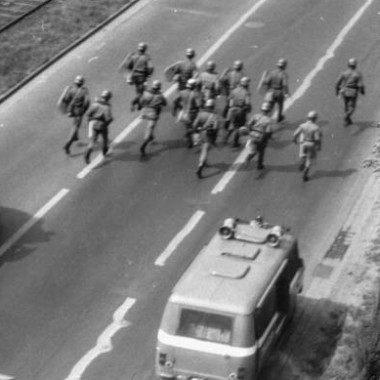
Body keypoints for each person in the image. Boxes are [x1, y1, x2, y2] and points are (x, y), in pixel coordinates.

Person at [59, 75, 90, 155]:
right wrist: (85, 109)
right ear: (82, 83)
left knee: (75, 124)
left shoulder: (71, 90)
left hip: (72, 110)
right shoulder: (84, 91)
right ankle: (67, 145)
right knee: (75, 127)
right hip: (79, 111)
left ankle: (76, 137)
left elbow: (66, 100)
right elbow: (87, 102)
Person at [119, 42, 154, 110]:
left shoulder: (133, 56)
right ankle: (134, 102)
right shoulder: (146, 58)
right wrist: (149, 74)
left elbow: (129, 66)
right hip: (142, 77)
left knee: (138, 90)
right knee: (141, 92)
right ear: (145, 49)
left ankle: (139, 104)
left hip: (134, 76)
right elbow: (151, 68)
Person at [139, 80, 167, 157]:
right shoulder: (160, 95)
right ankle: (143, 146)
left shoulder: (146, 92)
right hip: (153, 114)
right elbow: (165, 103)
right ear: (159, 87)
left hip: (144, 112)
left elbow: (141, 102)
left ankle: (151, 137)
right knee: (150, 128)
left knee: (150, 127)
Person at [84, 90, 113, 164]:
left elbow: (88, 114)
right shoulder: (106, 107)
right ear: (108, 98)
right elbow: (108, 119)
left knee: (92, 142)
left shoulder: (95, 104)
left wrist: (91, 119)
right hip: (102, 125)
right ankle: (104, 151)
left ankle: (87, 155)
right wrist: (108, 122)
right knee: (105, 139)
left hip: (94, 124)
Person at [192, 99, 220, 178]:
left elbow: (194, 125)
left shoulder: (200, 114)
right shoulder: (214, 116)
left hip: (201, 134)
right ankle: (200, 165)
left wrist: (197, 130)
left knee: (203, 148)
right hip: (208, 135)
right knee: (205, 151)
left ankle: (205, 162)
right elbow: (216, 127)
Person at [172, 78, 202, 148]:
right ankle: (189, 135)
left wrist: (175, 109)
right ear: (194, 86)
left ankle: (189, 142)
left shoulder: (182, 92)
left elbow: (175, 101)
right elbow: (199, 105)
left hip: (184, 112)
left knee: (187, 126)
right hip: (193, 113)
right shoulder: (196, 94)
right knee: (196, 127)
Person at [293, 110, 322, 182]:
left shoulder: (302, 125)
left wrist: (294, 140)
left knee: (303, 155)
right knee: (309, 159)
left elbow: (295, 134)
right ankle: (305, 174)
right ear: (315, 118)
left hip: (304, 143)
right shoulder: (316, 128)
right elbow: (317, 139)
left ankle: (302, 162)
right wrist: (319, 146)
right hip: (311, 144)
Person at [335, 58, 365, 126]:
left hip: (345, 91)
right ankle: (346, 117)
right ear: (355, 66)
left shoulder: (343, 73)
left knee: (346, 105)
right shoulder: (357, 74)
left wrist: (337, 91)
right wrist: (362, 91)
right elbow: (361, 85)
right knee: (352, 108)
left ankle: (348, 120)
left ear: (348, 65)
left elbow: (337, 83)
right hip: (353, 92)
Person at [244, 102, 273, 170]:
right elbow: (268, 132)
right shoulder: (268, 120)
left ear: (261, 109)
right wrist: (268, 137)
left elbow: (248, 125)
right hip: (260, 137)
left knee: (253, 150)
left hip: (252, 135)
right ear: (269, 111)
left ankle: (248, 157)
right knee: (261, 151)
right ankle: (259, 165)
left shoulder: (255, 116)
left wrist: (251, 131)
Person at [224, 76, 252, 147]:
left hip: (232, 109)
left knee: (233, 124)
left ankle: (226, 137)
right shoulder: (246, 92)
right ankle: (235, 142)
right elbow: (247, 103)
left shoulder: (234, 90)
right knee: (239, 127)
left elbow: (229, 99)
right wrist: (248, 109)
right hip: (240, 111)